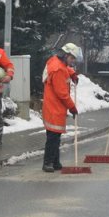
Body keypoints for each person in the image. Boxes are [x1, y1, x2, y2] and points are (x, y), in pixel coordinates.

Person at [42, 43, 81, 172]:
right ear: (65, 55)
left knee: (55, 135)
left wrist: (72, 73)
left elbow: (65, 68)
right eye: (72, 58)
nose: (72, 61)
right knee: (53, 137)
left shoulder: (55, 61)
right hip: (55, 107)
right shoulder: (58, 69)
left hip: (53, 106)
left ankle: (55, 162)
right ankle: (47, 163)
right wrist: (72, 107)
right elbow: (62, 93)